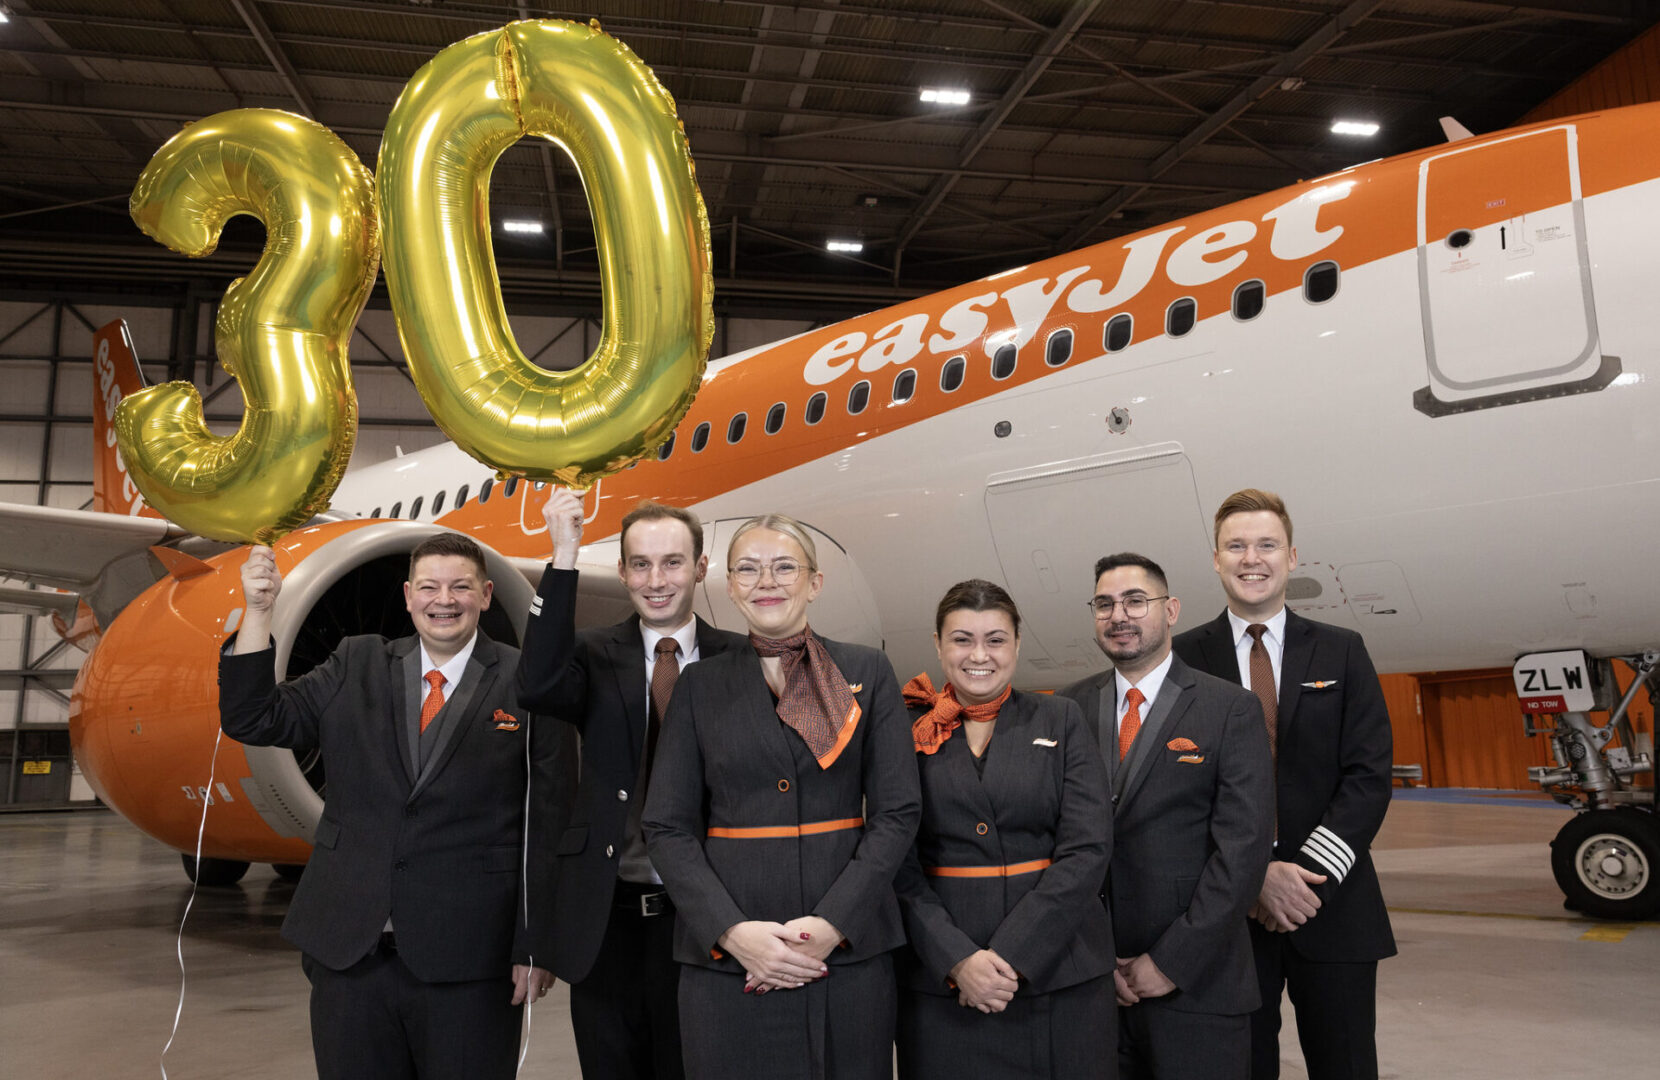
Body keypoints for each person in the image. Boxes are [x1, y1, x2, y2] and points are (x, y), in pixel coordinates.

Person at [218, 534, 558, 1080]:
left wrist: (536, 942)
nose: (443, 599)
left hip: (471, 956)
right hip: (351, 950)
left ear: (487, 595)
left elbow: (549, 823)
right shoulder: (356, 662)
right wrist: (260, 612)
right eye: (428, 586)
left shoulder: (527, 680)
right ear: (407, 595)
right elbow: (253, 718)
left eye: (460, 587)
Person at [641, 512, 920, 1080]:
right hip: (728, 960)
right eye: (748, 569)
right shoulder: (698, 685)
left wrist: (834, 924)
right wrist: (730, 931)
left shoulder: (867, 669)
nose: (765, 581)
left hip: (847, 953)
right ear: (730, 586)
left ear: (814, 583)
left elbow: (897, 813)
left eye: (784, 567)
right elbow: (666, 826)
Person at [515, 490, 746, 1079]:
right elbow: (537, 684)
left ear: (699, 567)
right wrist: (563, 554)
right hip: (609, 923)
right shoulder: (593, 655)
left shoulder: (739, 661)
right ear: (621, 572)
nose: (656, 579)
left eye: (672, 562)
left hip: (707, 920)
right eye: (640, 564)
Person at [1171, 489, 1395, 1080]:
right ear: (1215, 560)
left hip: (1332, 902)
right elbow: (1178, 791)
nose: (1252, 558)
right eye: (1236, 546)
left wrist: (1303, 878)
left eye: (1267, 544)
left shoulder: (1342, 651)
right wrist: (1254, 878)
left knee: (1346, 1064)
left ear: (1292, 556)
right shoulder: (1182, 660)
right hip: (1227, 916)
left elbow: (1368, 776)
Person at [1058, 553, 1273, 1080]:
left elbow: (1242, 853)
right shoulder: (1067, 708)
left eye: (1136, 601)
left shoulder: (1230, 709)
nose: (1119, 616)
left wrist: (1172, 960)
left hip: (1200, 982)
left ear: (1170, 609)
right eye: (1104, 604)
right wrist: (1092, 956)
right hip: (1094, 985)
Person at [895, 579, 1115, 1079]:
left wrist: (1011, 955)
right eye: (962, 639)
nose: (980, 655)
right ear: (938, 644)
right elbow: (894, 862)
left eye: (995, 639)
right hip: (942, 980)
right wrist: (958, 960)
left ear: (1017, 643)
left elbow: (1087, 849)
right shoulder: (905, 728)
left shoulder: (1062, 717)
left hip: (1061, 973)